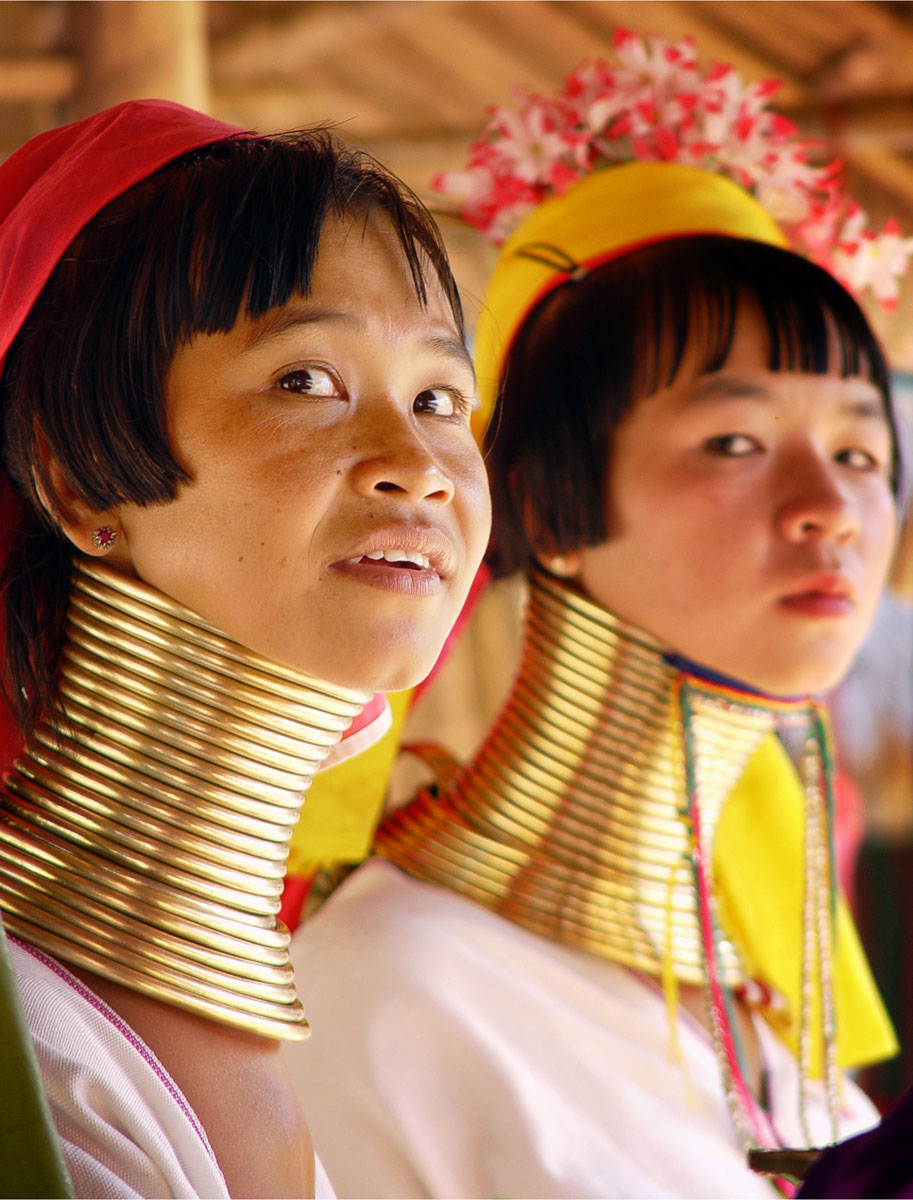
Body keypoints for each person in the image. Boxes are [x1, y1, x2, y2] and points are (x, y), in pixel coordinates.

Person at [287, 33, 906, 1199]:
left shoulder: (762, 1008)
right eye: (733, 440)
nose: (831, 508)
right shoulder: (393, 989)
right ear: (540, 497)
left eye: (860, 452)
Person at [0, 99, 490, 1198]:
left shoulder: (319, 1038)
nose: (417, 463)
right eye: (304, 381)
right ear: (77, 478)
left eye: (438, 397)